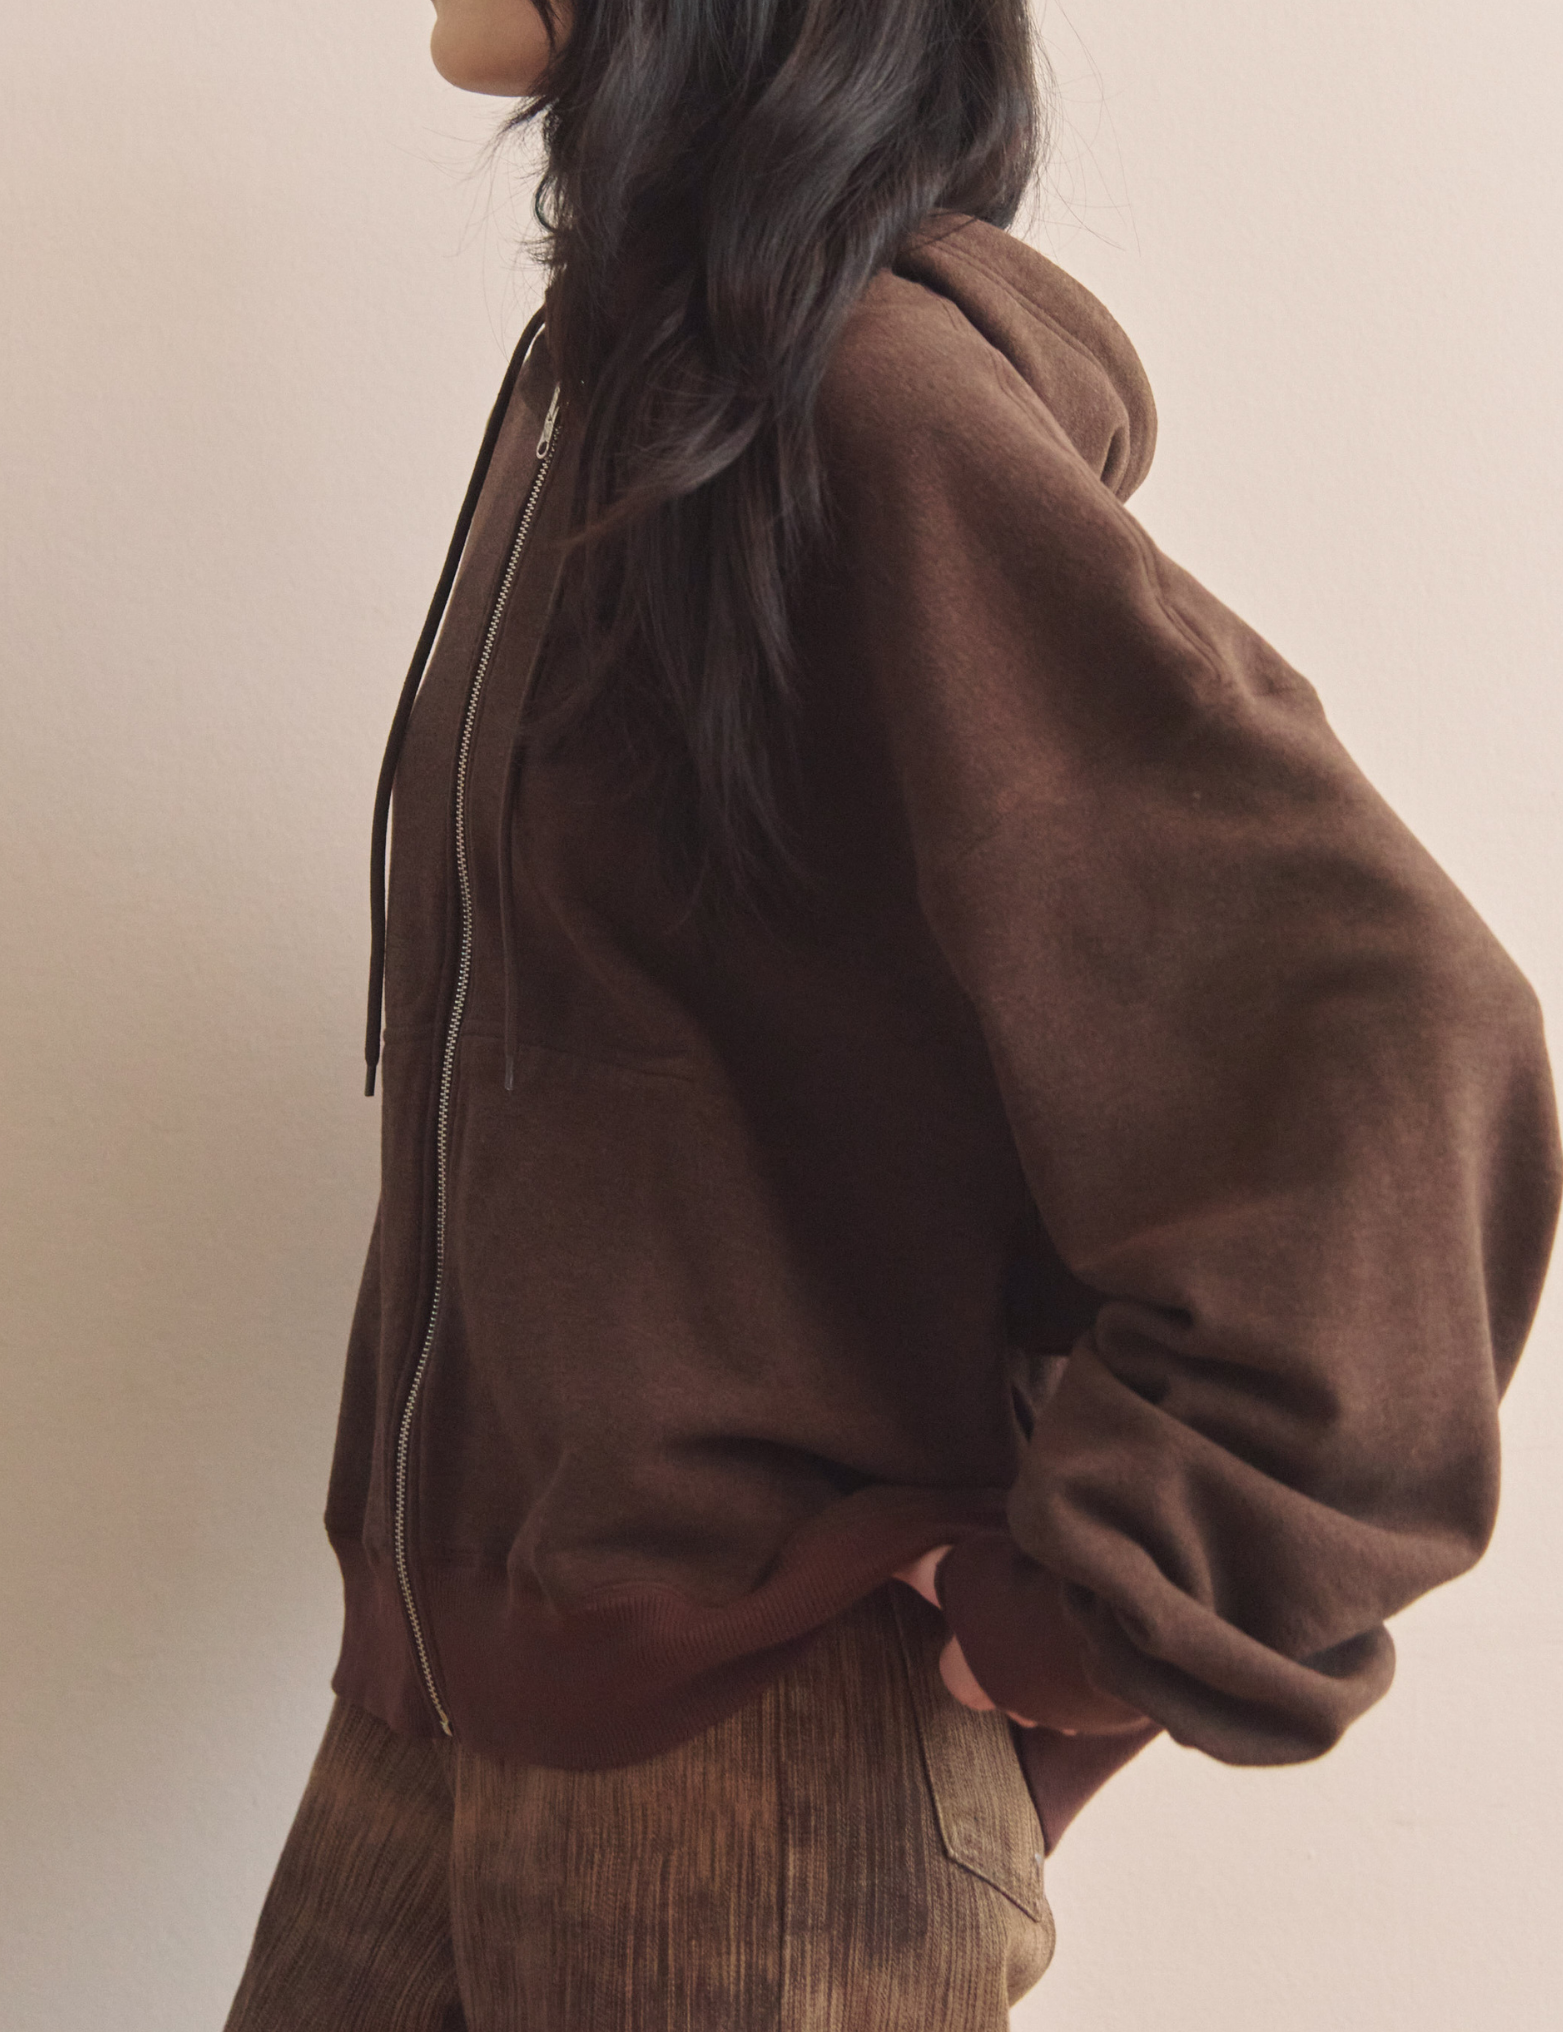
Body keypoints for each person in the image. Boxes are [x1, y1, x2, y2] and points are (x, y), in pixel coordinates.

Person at [223, 3, 1562, 2026]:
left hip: (751, 1766)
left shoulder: (859, 399)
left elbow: (1391, 1025)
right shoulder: (617, 397)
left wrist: (1118, 1606)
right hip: (454, 1688)